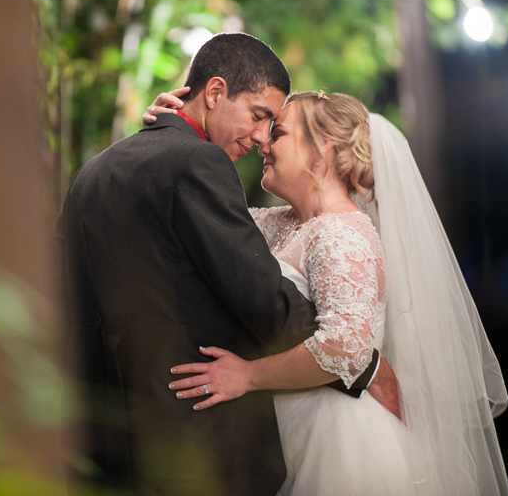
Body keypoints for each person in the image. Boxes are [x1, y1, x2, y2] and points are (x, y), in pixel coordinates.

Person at [58, 33, 398, 496]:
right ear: (214, 92)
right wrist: (362, 363)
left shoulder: (96, 170)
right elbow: (265, 301)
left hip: (107, 428)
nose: (261, 138)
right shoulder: (198, 163)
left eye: (274, 128)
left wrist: (164, 131)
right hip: (198, 433)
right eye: (260, 118)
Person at [147, 89, 508, 495]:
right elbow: (202, 215)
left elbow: (346, 348)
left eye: (279, 132)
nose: (263, 143)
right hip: (287, 431)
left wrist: (248, 376)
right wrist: (172, 133)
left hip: (338, 438)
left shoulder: (342, 233)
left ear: (322, 149)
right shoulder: (280, 223)